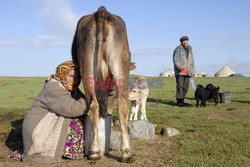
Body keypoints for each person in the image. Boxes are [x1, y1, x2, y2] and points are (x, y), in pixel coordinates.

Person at [10, 61, 88, 163]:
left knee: (80, 119)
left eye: (77, 78)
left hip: (44, 125)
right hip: (38, 129)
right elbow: (74, 108)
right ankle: (68, 151)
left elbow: (81, 100)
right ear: (62, 74)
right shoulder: (54, 87)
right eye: (71, 76)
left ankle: (72, 150)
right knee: (75, 123)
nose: (74, 80)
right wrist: (91, 99)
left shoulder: (71, 89)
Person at [173, 36, 195, 107]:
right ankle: (179, 102)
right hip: (180, 72)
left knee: (186, 87)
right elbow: (175, 60)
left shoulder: (190, 49)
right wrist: (181, 67)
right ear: (181, 42)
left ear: (188, 41)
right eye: (183, 41)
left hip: (188, 72)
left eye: (186, 40)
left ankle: (182, 100)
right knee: (180, 87)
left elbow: (192, 61)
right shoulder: (178, 49)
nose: (185, 42)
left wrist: (193, 71)